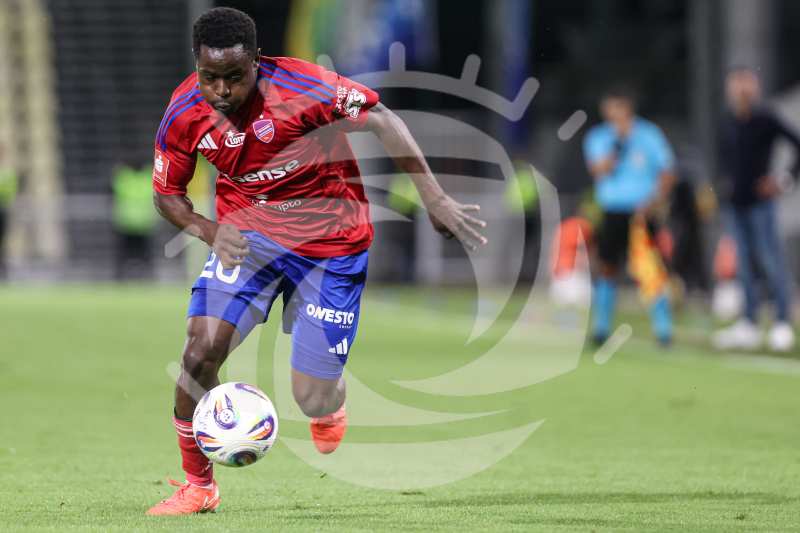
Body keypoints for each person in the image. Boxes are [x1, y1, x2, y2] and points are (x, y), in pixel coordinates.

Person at [146, 7, 487, 516]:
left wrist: (432, 195)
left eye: (234, 77)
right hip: (250, 240)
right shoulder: (184, 113)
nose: (221, 90)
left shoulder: (304, 88)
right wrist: (210, 230)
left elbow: (382, 119)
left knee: (312, 395)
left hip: (332, 245)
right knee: (198, 353)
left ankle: (329, 402)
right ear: (196, 65)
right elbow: (167, 195)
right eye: (209, 76)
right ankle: (199, 486)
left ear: (257, 63)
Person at [712, 67, 800, 352]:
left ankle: (782, 322)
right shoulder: (727, 121)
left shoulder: (765, 118)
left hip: (761, 204)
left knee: (770, 259)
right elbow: (723, 159)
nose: (741, 90)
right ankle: (749, 322)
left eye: (746, 84)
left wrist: (783, 180)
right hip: (735, 204)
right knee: (744, 265)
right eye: (736, 84)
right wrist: (721, 186)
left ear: (756, 87)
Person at [583, 86, 676, 347]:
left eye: (618, 108)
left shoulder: (649, 135)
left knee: (649, 268)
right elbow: (598, 169)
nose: (614, 114)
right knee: (607, 267)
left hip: (642, 213)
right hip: (612, 211)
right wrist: (618, 146)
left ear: (628, 109)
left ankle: (663, 329)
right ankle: (601, 328)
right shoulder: (600, 137)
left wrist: (656, 200)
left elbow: (667, 171)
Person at [111, 162, 158, 280]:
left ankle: (120, 277)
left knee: (125, 255)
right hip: (141, 222)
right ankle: (148, 277)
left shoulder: (123, 177)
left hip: (128, 222)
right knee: (144, 255)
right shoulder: (149, 177)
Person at [0, 144, 17, 279]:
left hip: (2, 211)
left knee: (2, 244)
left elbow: (10, 193)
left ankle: (4, 274)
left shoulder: (7, 172)